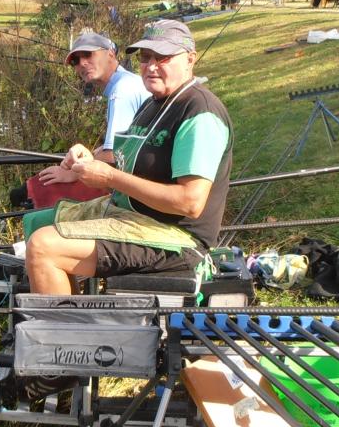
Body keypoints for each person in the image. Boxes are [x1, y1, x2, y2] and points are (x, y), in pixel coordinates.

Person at [24, 19, 233, 295]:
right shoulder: (153, 103)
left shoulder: (199, 113)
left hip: (174, 238)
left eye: (163, 57)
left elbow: (189, 202)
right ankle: (71, 309)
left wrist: (110, 177)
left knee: (43, 247)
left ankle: (65, 333)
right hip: (131, 216)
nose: (152, 65)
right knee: (36, 223)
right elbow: (128, 165)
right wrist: (88, 161)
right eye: (146, 58)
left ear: (190, 59)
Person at [23, 30, 151, 209]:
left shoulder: (121, 91)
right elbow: (118, 145)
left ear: (111, 54)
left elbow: (113, 154)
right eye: (75, 61)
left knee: (44, 188)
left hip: (140, 187)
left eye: (88, 54)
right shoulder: (127, 81)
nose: (82, 63)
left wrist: (73, 173)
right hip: (138, 176)